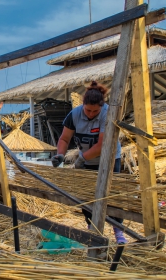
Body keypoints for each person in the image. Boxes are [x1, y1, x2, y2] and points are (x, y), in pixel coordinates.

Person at [51, 81, 127, 244]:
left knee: (112, 196)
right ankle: (93, 231)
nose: (91, 114)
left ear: (101, 107)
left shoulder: (107, 113)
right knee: (86, 197)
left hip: (109, 159)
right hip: (87, 160)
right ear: (83, 105)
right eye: (88, 110)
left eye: (95, 111)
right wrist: (59, 155)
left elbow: (102, 145)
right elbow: (64, 138)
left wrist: (81, 158)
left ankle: (119, 232)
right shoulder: (75, 114)